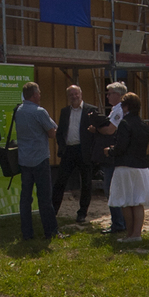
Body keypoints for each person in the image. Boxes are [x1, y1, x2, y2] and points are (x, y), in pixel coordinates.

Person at [11, 82, 60, 239]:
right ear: (34, 95)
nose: (40, 95)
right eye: (38, 92)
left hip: (24, 159)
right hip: (40, 159)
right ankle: (50, 231)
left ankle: (27, 232)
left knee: (25, 198)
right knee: (45, 197)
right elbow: (52, 133)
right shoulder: (40, 112)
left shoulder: (18, 110)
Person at [106, 93, 149, 242]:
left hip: (125, 167)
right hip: (141, 167)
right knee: (138, 201)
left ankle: (130, 234)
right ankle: (137, 234)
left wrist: (110, 151)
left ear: (125, 106)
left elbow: (121, 147)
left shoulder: (124, 123)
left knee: (126, 202)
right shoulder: (143, 125)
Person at [51, 85, 100, 224]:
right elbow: (60, 132)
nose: (74, 96)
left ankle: (82, 213)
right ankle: (53, 211)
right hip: (68, 151)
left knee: (86, 183)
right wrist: (62, 145)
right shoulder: (65, 111)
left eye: (76, 93)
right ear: (68, 97)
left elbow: (97, 133)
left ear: (81, 94)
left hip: (84, 151)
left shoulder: (91, 110)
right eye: (71, 94)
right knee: (60, 182)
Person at [93, 81, 128, 235]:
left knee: (111, 190)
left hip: (112, 156)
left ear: (119, 95)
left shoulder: (118, 110)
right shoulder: (116, 109)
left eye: (110, 93)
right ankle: (121, 222)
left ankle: (119, 223)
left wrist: (96, 128)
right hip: (115, 154)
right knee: (116, 190)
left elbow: (110, 130)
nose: (107, 96)